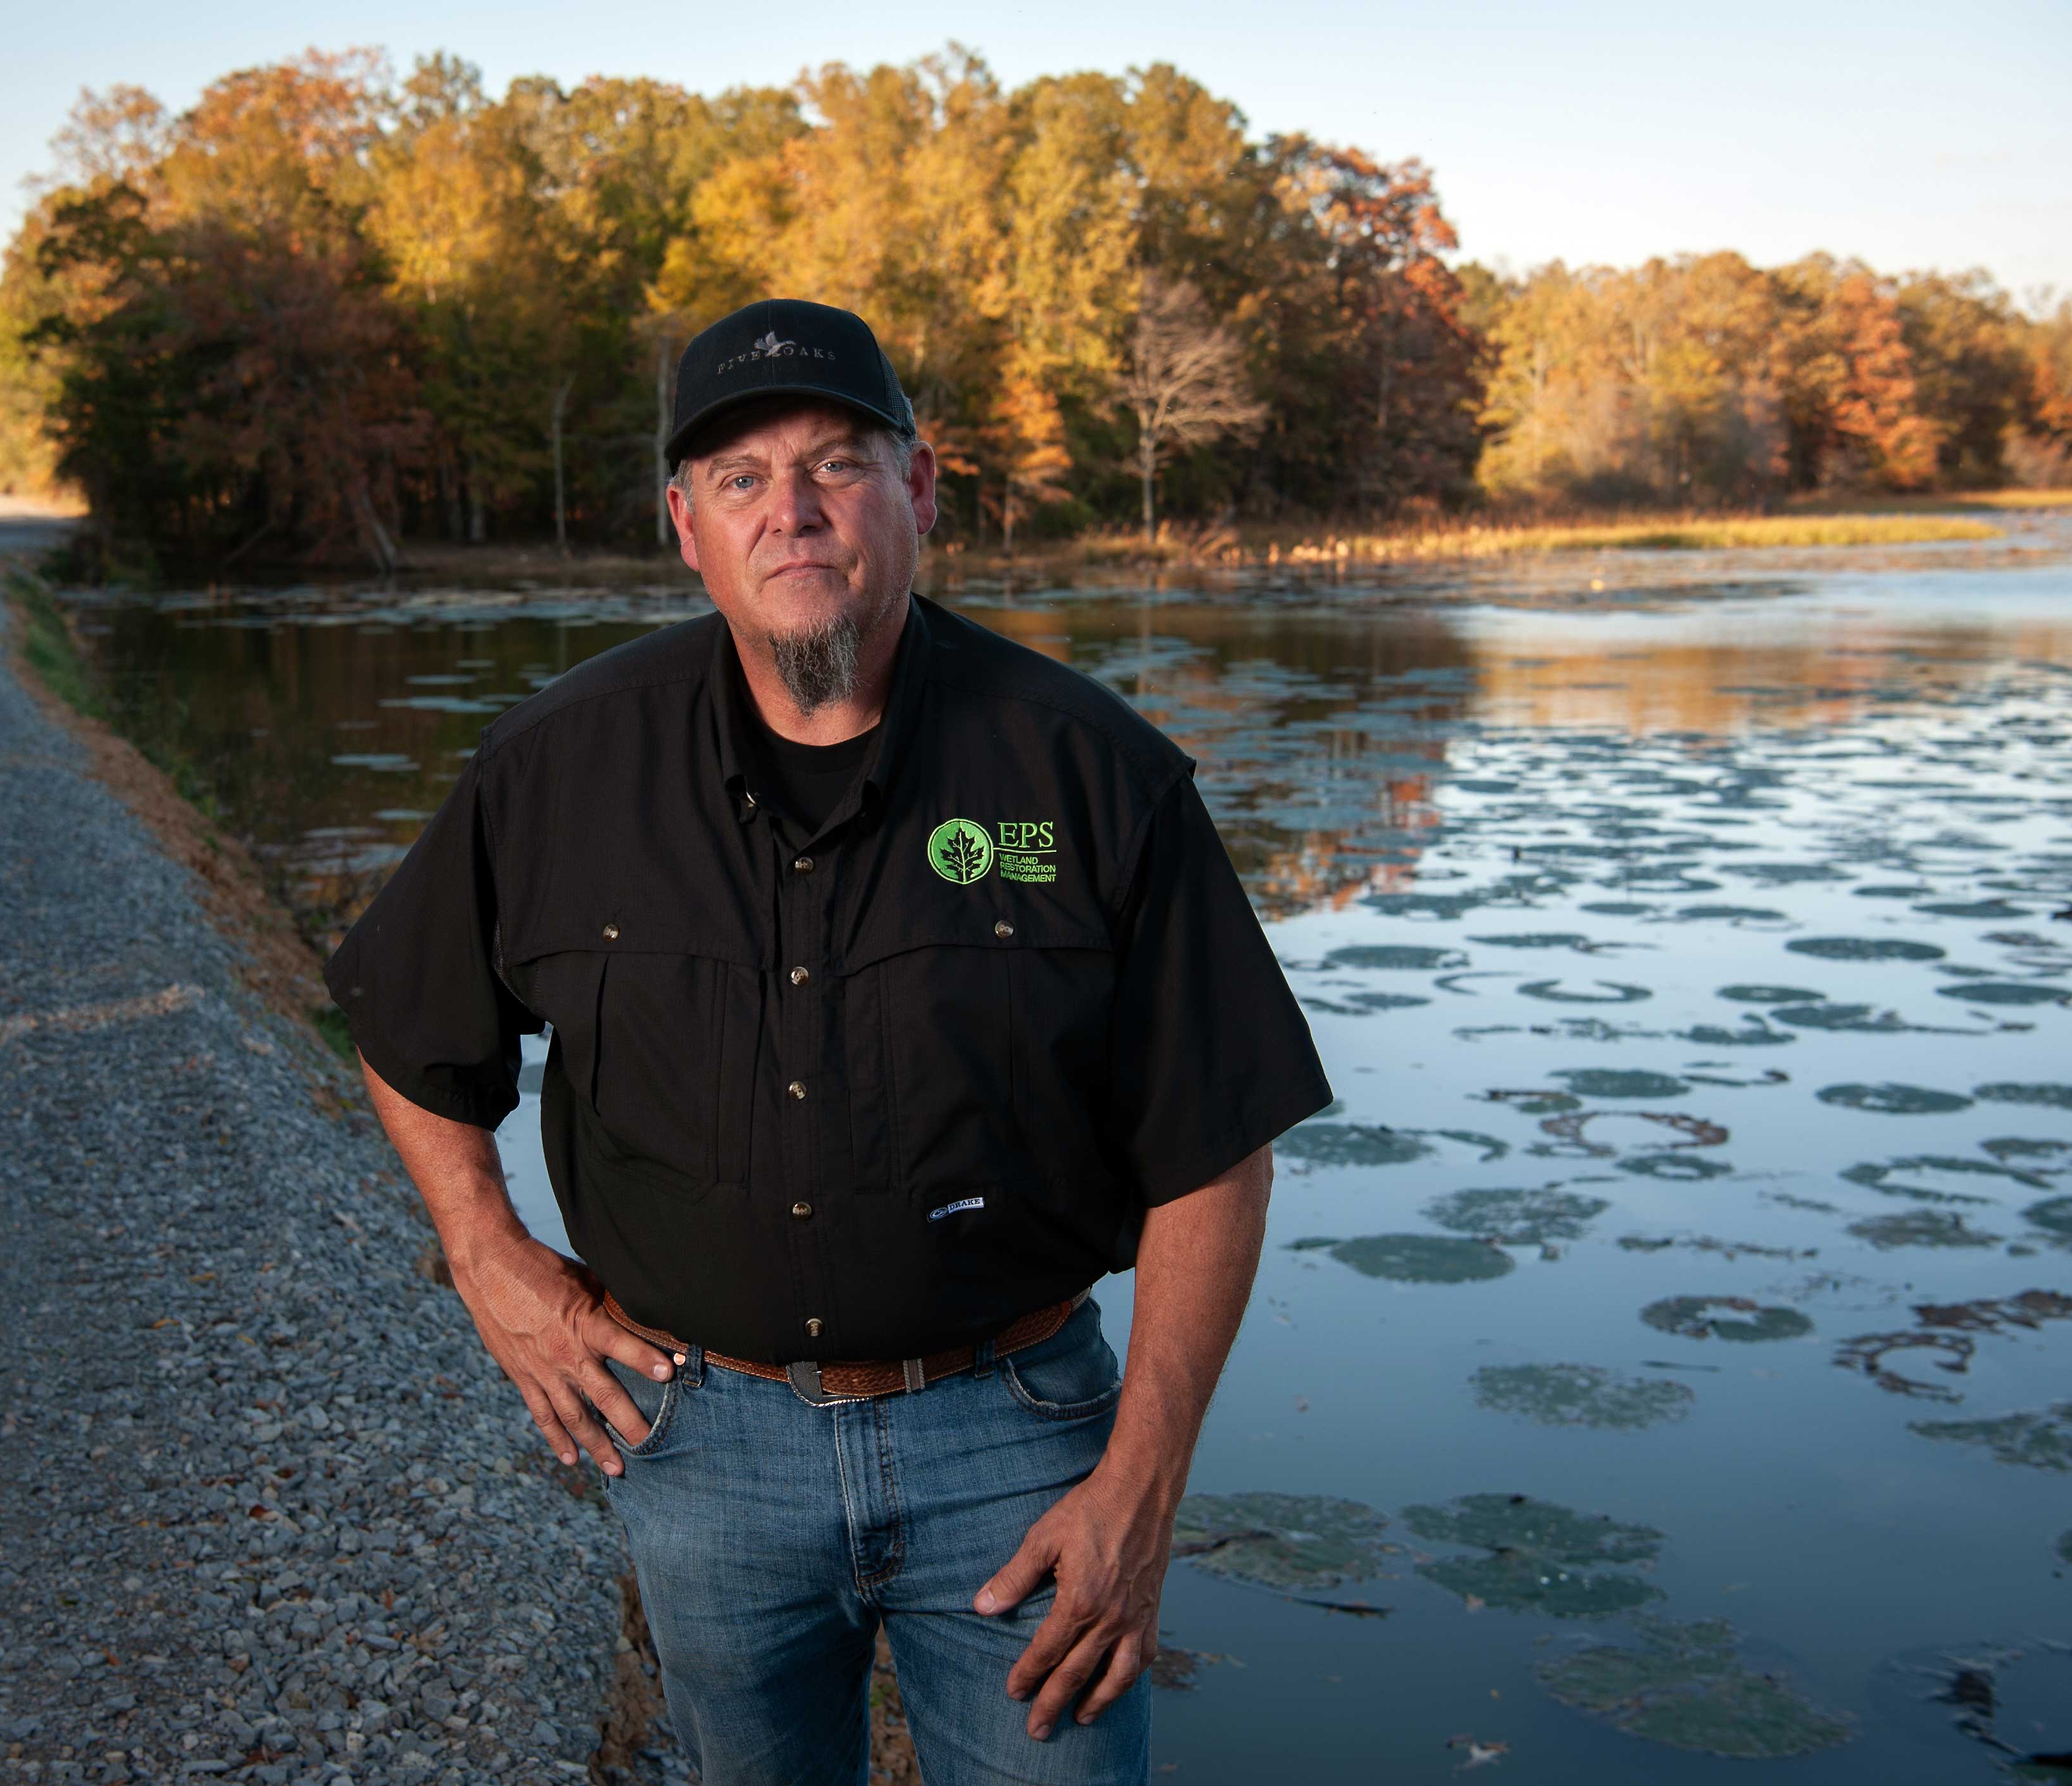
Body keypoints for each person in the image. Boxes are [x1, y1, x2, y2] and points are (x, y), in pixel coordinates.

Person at [326, 297, 1328, 1785]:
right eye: (740, 478)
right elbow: (411, 1031)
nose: (790, 511)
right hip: (700, 1446)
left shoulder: (1091, 771)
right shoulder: (558, 771)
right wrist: (490, 1261)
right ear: (686, 526)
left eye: (835, 464)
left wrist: (1145, 1483)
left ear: (916, 492)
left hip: (1022, 1443)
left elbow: (1217, 1145)